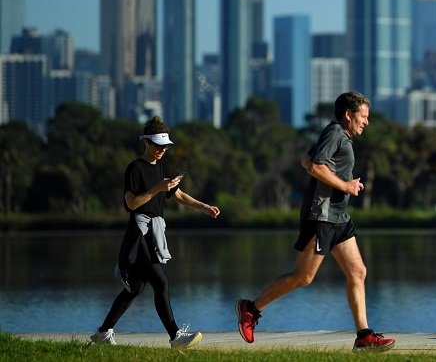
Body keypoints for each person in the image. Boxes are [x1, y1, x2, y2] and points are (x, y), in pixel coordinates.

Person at [235, 92, 395, 352]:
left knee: (358, 272)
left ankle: (364, 337)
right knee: (304, 276)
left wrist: (342, 187)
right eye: (363, 116)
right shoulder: (335, 134)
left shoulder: (336, 134)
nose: (367, 122)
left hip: (338, 216)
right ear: (348, 114)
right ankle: (250, 309)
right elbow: (315, 168)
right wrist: (345, 184)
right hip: (321, 216)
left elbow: (306, 159)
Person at [89, 116, 221, 349]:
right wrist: (157, 188)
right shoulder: (135, 168)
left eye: (165, 146)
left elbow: (177, 195)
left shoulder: (161, 167)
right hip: (139, 231)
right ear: (147, 143)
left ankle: (103, 332)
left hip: (154, 231)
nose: (162, 150)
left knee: (135, 287)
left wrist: (203, 207)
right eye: (158, 145)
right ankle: (175, 337)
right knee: (160, 282)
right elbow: (131, 203)